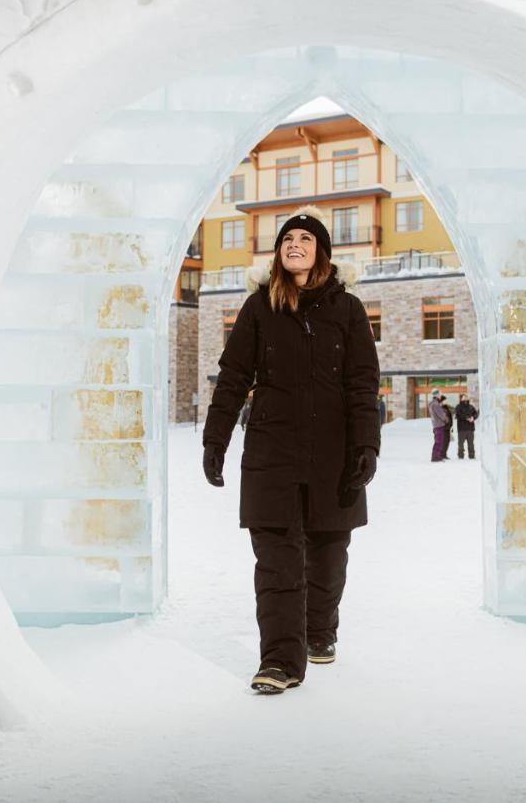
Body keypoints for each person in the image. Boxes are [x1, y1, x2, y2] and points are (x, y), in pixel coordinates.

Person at [201, 208, 381, 696]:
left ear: (321, 250)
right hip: (272, 456)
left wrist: (367, 444)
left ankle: (319, 631)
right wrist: (215, 439)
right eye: (287, 239)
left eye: (306, 238)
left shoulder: (348, 310)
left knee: (327, 556)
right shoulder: (260, 308)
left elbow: (364, 384)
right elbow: (233, 378)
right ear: (278, 253)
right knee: (277, 561)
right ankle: (281, 660)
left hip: (333, 456)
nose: (295, 244)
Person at [454, 393, 479, 459]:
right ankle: (460, 456)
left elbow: (476, 414)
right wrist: (467, 418)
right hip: (461, 429)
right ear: (461, 398)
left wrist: (473, 418)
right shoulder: (458, 407)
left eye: (466, 397)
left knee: (471, 444)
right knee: (461, 444)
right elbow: (458, 415)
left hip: (470, 428)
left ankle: (472, 456)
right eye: (464, 397)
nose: (465, 398)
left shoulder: (471, 406)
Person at [428, 390, 447, 462]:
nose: (440, 395)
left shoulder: (432, 403)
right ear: (436, 395)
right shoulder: (435, 404)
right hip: (439, 425)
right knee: (438, 441)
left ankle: (437, 456)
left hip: (436, 425)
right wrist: (445, 418)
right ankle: (435, 457)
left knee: (438, 441)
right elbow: (441, 414)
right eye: (439, 394)